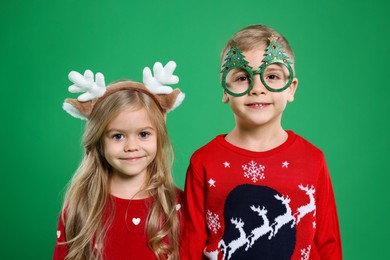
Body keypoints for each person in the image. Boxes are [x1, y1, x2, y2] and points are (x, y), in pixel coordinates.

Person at [181, 24, 342, 259]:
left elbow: (329, 242)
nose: (258, 89)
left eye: (272, 76)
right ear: (225, 90)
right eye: (243, 77)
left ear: (291, 89)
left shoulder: (312, 159)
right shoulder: (203, 161)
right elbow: (190, 245)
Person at [53, 61, 185, 259]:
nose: (131, 146)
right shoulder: (80, 207)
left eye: (143, 134)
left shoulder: (177, 204)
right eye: (117, 136)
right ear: (99, 141)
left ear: (159, 135)